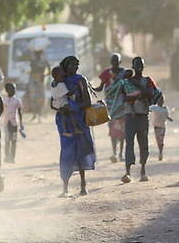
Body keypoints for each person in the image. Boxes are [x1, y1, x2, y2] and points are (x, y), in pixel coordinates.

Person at [54, 56, 96, 197]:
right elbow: (53, 102)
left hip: (79, 119)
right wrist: (61, 108)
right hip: (64, 121)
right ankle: (65, 186)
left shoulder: (80, 80)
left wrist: (74, 108)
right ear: (66, 65)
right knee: (66, 152)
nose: (76, 67)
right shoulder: (60, 80)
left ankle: (83, 184)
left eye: (77, 65)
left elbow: (88, 102)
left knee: (81, 151)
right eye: (73, 64)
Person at [121, 57, 160, 183]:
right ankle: (127, 173)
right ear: (133, 66)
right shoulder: (127, 81)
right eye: (137, 65)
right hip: (130, 116)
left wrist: (139, 90)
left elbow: (153, 94)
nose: (139, 67)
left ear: (144, 67)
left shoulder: (147, 80)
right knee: (129, 144)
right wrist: (139, 95)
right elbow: (123, 98)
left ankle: (143, 170)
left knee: (143, 144)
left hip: (142, 115)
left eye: (141, 65)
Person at [96, 54, 127, 163]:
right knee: (113, 129)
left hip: (122, 104)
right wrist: (90, 88)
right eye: (113, 61)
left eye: (116, 61)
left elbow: (127, 86)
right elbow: (100, 88)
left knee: (122, 130)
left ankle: (121, 153)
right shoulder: (106, 73)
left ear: (120, 62)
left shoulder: (124, 73)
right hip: (110, 106)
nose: (114, 63)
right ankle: (114, 152)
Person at [50, 66, 82, 137]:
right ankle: (76, 128)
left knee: (64, 115)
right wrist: (76, 87)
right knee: (71, 113)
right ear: (56, 76)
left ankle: (65, 130)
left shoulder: (53, 84)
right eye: (62, 77)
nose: (63, 78)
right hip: (62, 102)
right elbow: (69, 93)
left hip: (55, 103)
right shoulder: (61, 84)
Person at [2, 83, 23, 163]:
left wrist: (21, 124)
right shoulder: (4, 100)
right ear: (7, 90)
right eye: (12, 89)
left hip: (14, 124)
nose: (14, 91)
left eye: (14, 89)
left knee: (13, 141)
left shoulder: (17, 100)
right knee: (7, 141)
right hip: (6, 123)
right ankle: (7, 157)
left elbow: (20, 112)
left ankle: (12, 158)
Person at [27, 49, 50, 123]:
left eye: (39, 54)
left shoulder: (44, 61)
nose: (38, 55)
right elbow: (31, 71)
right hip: (34, 80)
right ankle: (35, 115)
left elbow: (49, 71)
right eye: (37, 54)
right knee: (33, 97)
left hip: (41, 81)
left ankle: (40, 114)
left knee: (41, 98)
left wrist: (44, 75)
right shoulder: (33, 61)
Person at [149, 96, 173, 161]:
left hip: (162, 127)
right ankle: (160, 152)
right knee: (158, 141)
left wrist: (169, 119)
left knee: (161, 141)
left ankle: (160, 153)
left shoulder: (165, 109)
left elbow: (167, 116)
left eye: (162, 100)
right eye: (159, 100)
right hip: (156, 127)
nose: (160, 101)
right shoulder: (154, 107)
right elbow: (148, 109)